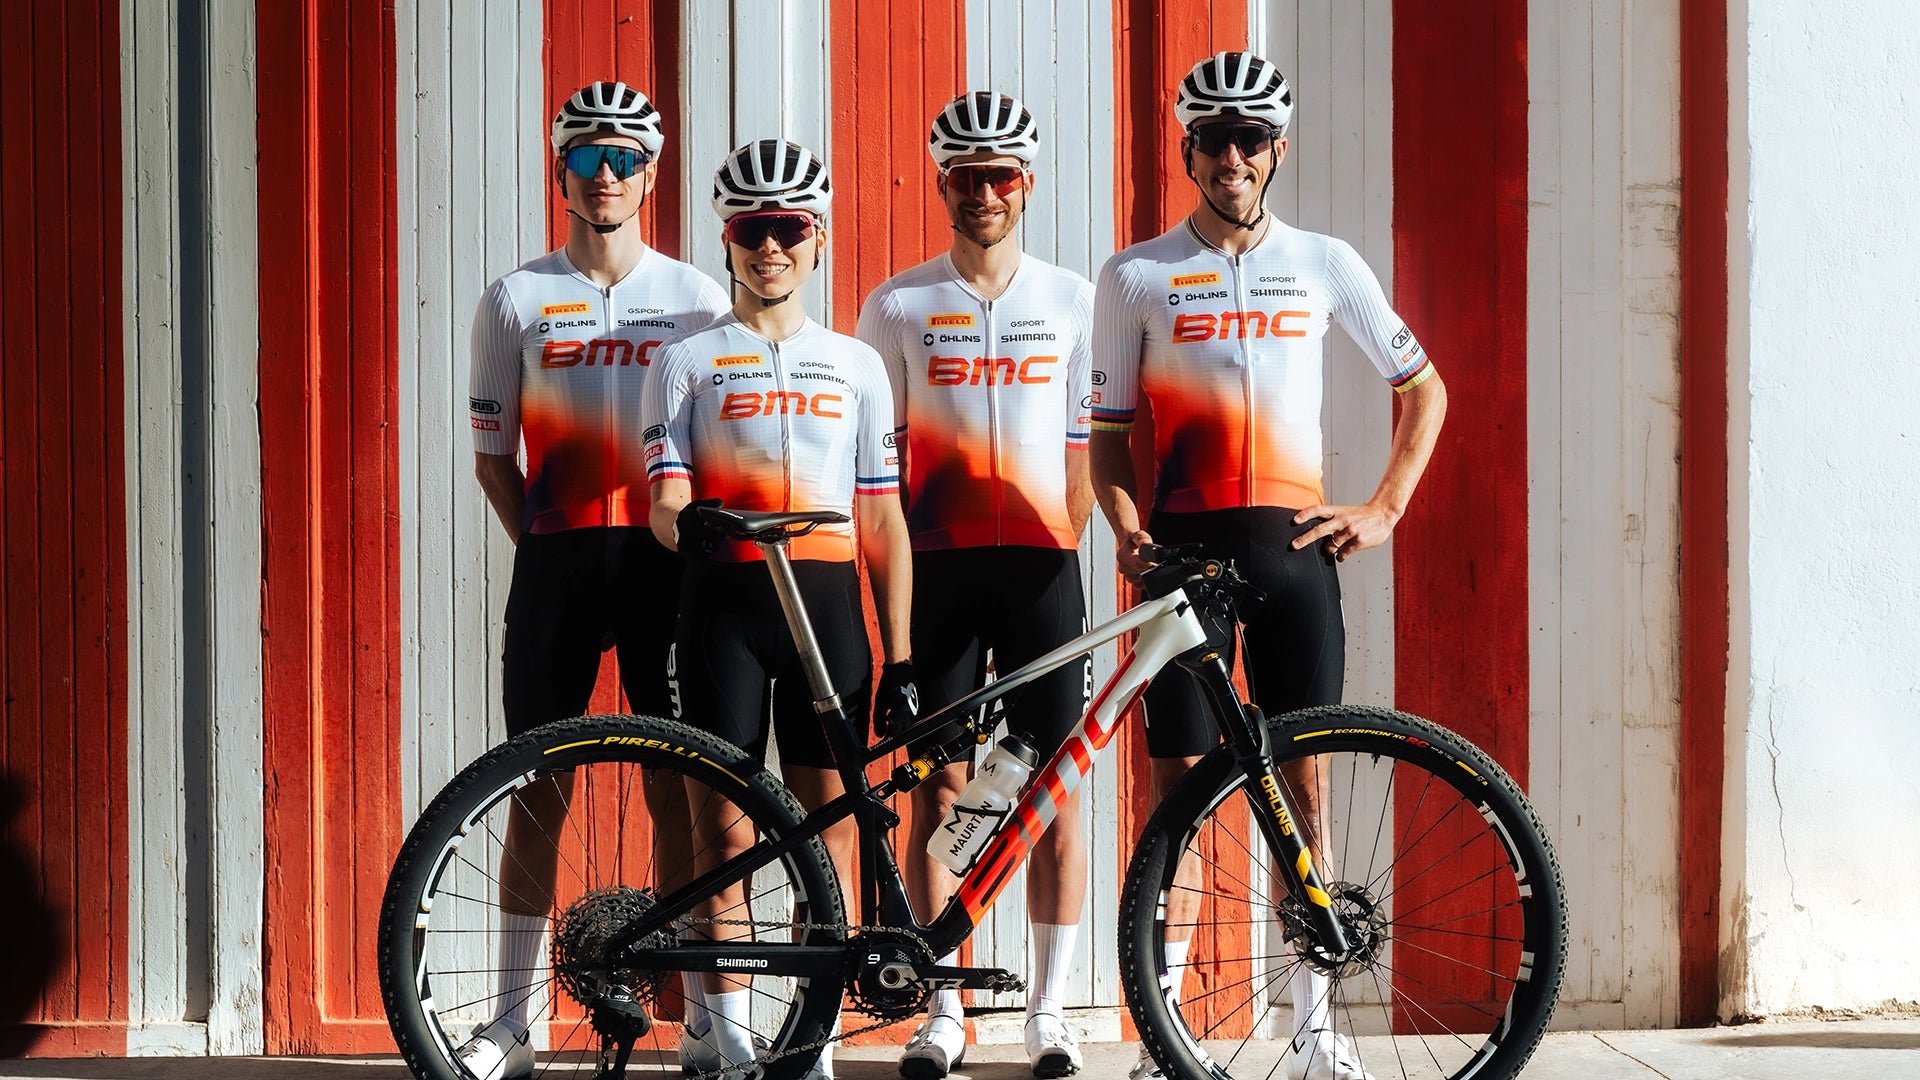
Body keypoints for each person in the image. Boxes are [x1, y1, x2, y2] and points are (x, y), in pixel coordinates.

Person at [1089, 52, 1447, 1080]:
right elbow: (1106, 437)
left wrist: (1384, 507)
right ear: (1188, 151)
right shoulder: (1136, 275)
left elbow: (1425, 390)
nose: (1233, 157)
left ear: (1277, 149)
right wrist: (1127, 533)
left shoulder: (1325, 262)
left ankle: (1314, 1031)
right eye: (1215, 139)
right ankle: (1166, 1034)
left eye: (1251, 138)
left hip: (1294, 554)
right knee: (1178, 798)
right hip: (1184, 561)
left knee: (1306, 795)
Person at [462, 80, 732, 1080]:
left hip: (667, 569)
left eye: (624, 159)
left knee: (682, 792)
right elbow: (493, 455)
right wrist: (545, 541)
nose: (605, 175)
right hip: (560, 566)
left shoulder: (697, 298)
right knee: (538, 790)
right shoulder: (516, 298)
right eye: (586, 157)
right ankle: (510, 1025)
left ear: (651, 176)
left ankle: (696, 1016)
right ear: (560, 171)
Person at [641, 139, 915, 1080]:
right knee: (722, 827)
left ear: (818, 238)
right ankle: (729, 1035)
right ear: (727, 239)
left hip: (828, 606)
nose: (770, 248)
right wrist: (690, 526)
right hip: (723, 605)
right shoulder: (686, 360)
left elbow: (883, 517)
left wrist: (902, 655)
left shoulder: (857, 364)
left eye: (789, 229)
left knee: (829, 830)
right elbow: (664, 502)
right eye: (752, 230)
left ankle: (813, 1040)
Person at [854, 91, 1095, 1080]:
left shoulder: (1073, 299)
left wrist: (1063, 541)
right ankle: (944, 1011)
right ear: (941, 183)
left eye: (1000, 175)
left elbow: (1085, 451)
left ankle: (1050, 1013)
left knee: (1055, 795)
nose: (984, 193)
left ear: (1026, 183)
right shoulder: (897, 306)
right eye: (965, 177)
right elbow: (877, 469)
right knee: (941, 790)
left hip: (1042, 573)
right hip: (940, 574)